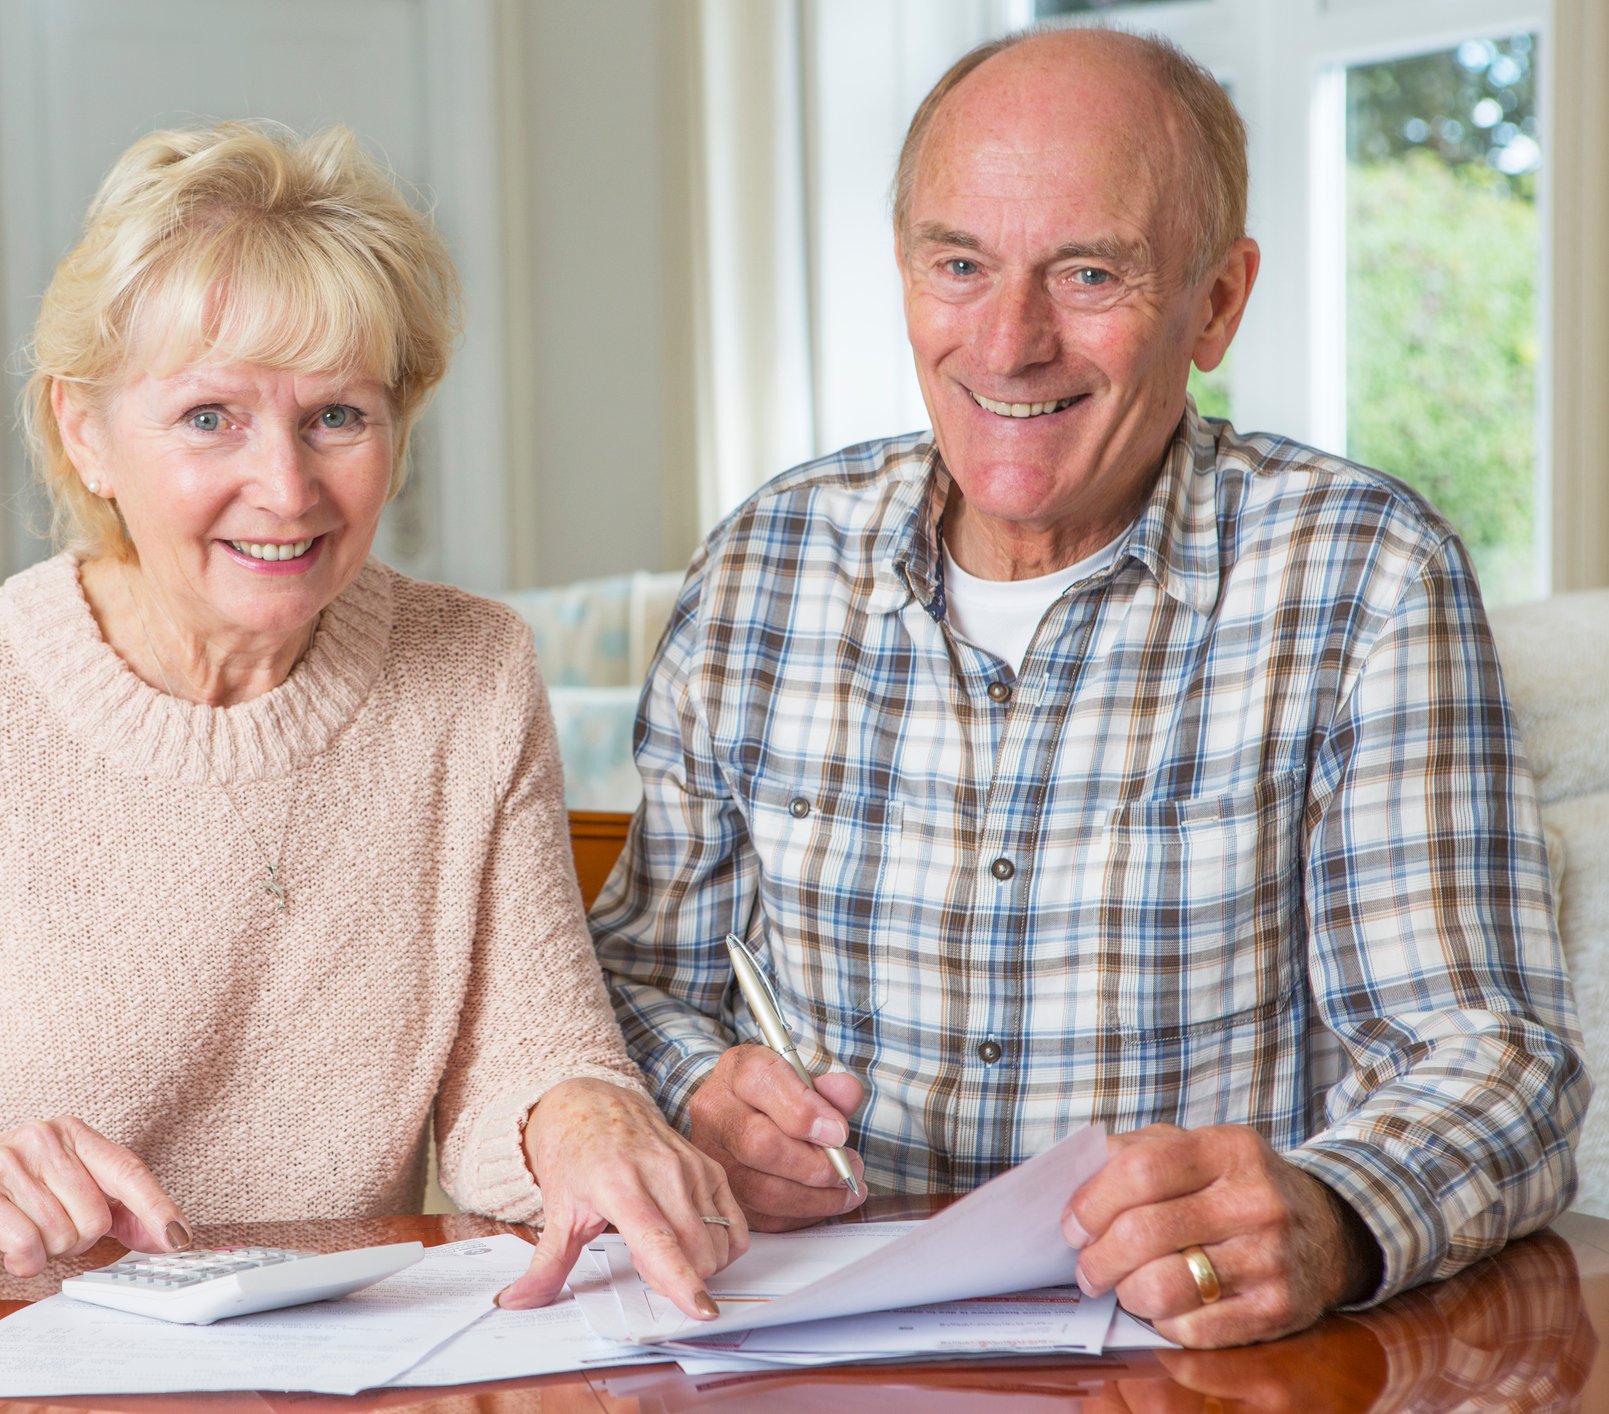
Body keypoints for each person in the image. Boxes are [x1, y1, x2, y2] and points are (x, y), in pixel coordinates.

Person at [0, 122, 743, 1319]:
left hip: (329, 1375)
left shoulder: (470, 674)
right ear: (86, 431)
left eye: (337, 415)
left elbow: (521, 1076)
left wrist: (588, 1112)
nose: (285, 489)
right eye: (208, 418)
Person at [591, 27, 1587, 1349]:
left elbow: (1492, 1054)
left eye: (1088, 272)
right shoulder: (762, 565)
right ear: (905, 276)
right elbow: (633, 981)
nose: (1009, 343)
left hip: (1197, 1360)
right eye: (959, 265)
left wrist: (1333, 1211)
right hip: (809, 1346)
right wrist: (701, 1088)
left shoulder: (1364, 574)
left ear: (1216, 303)